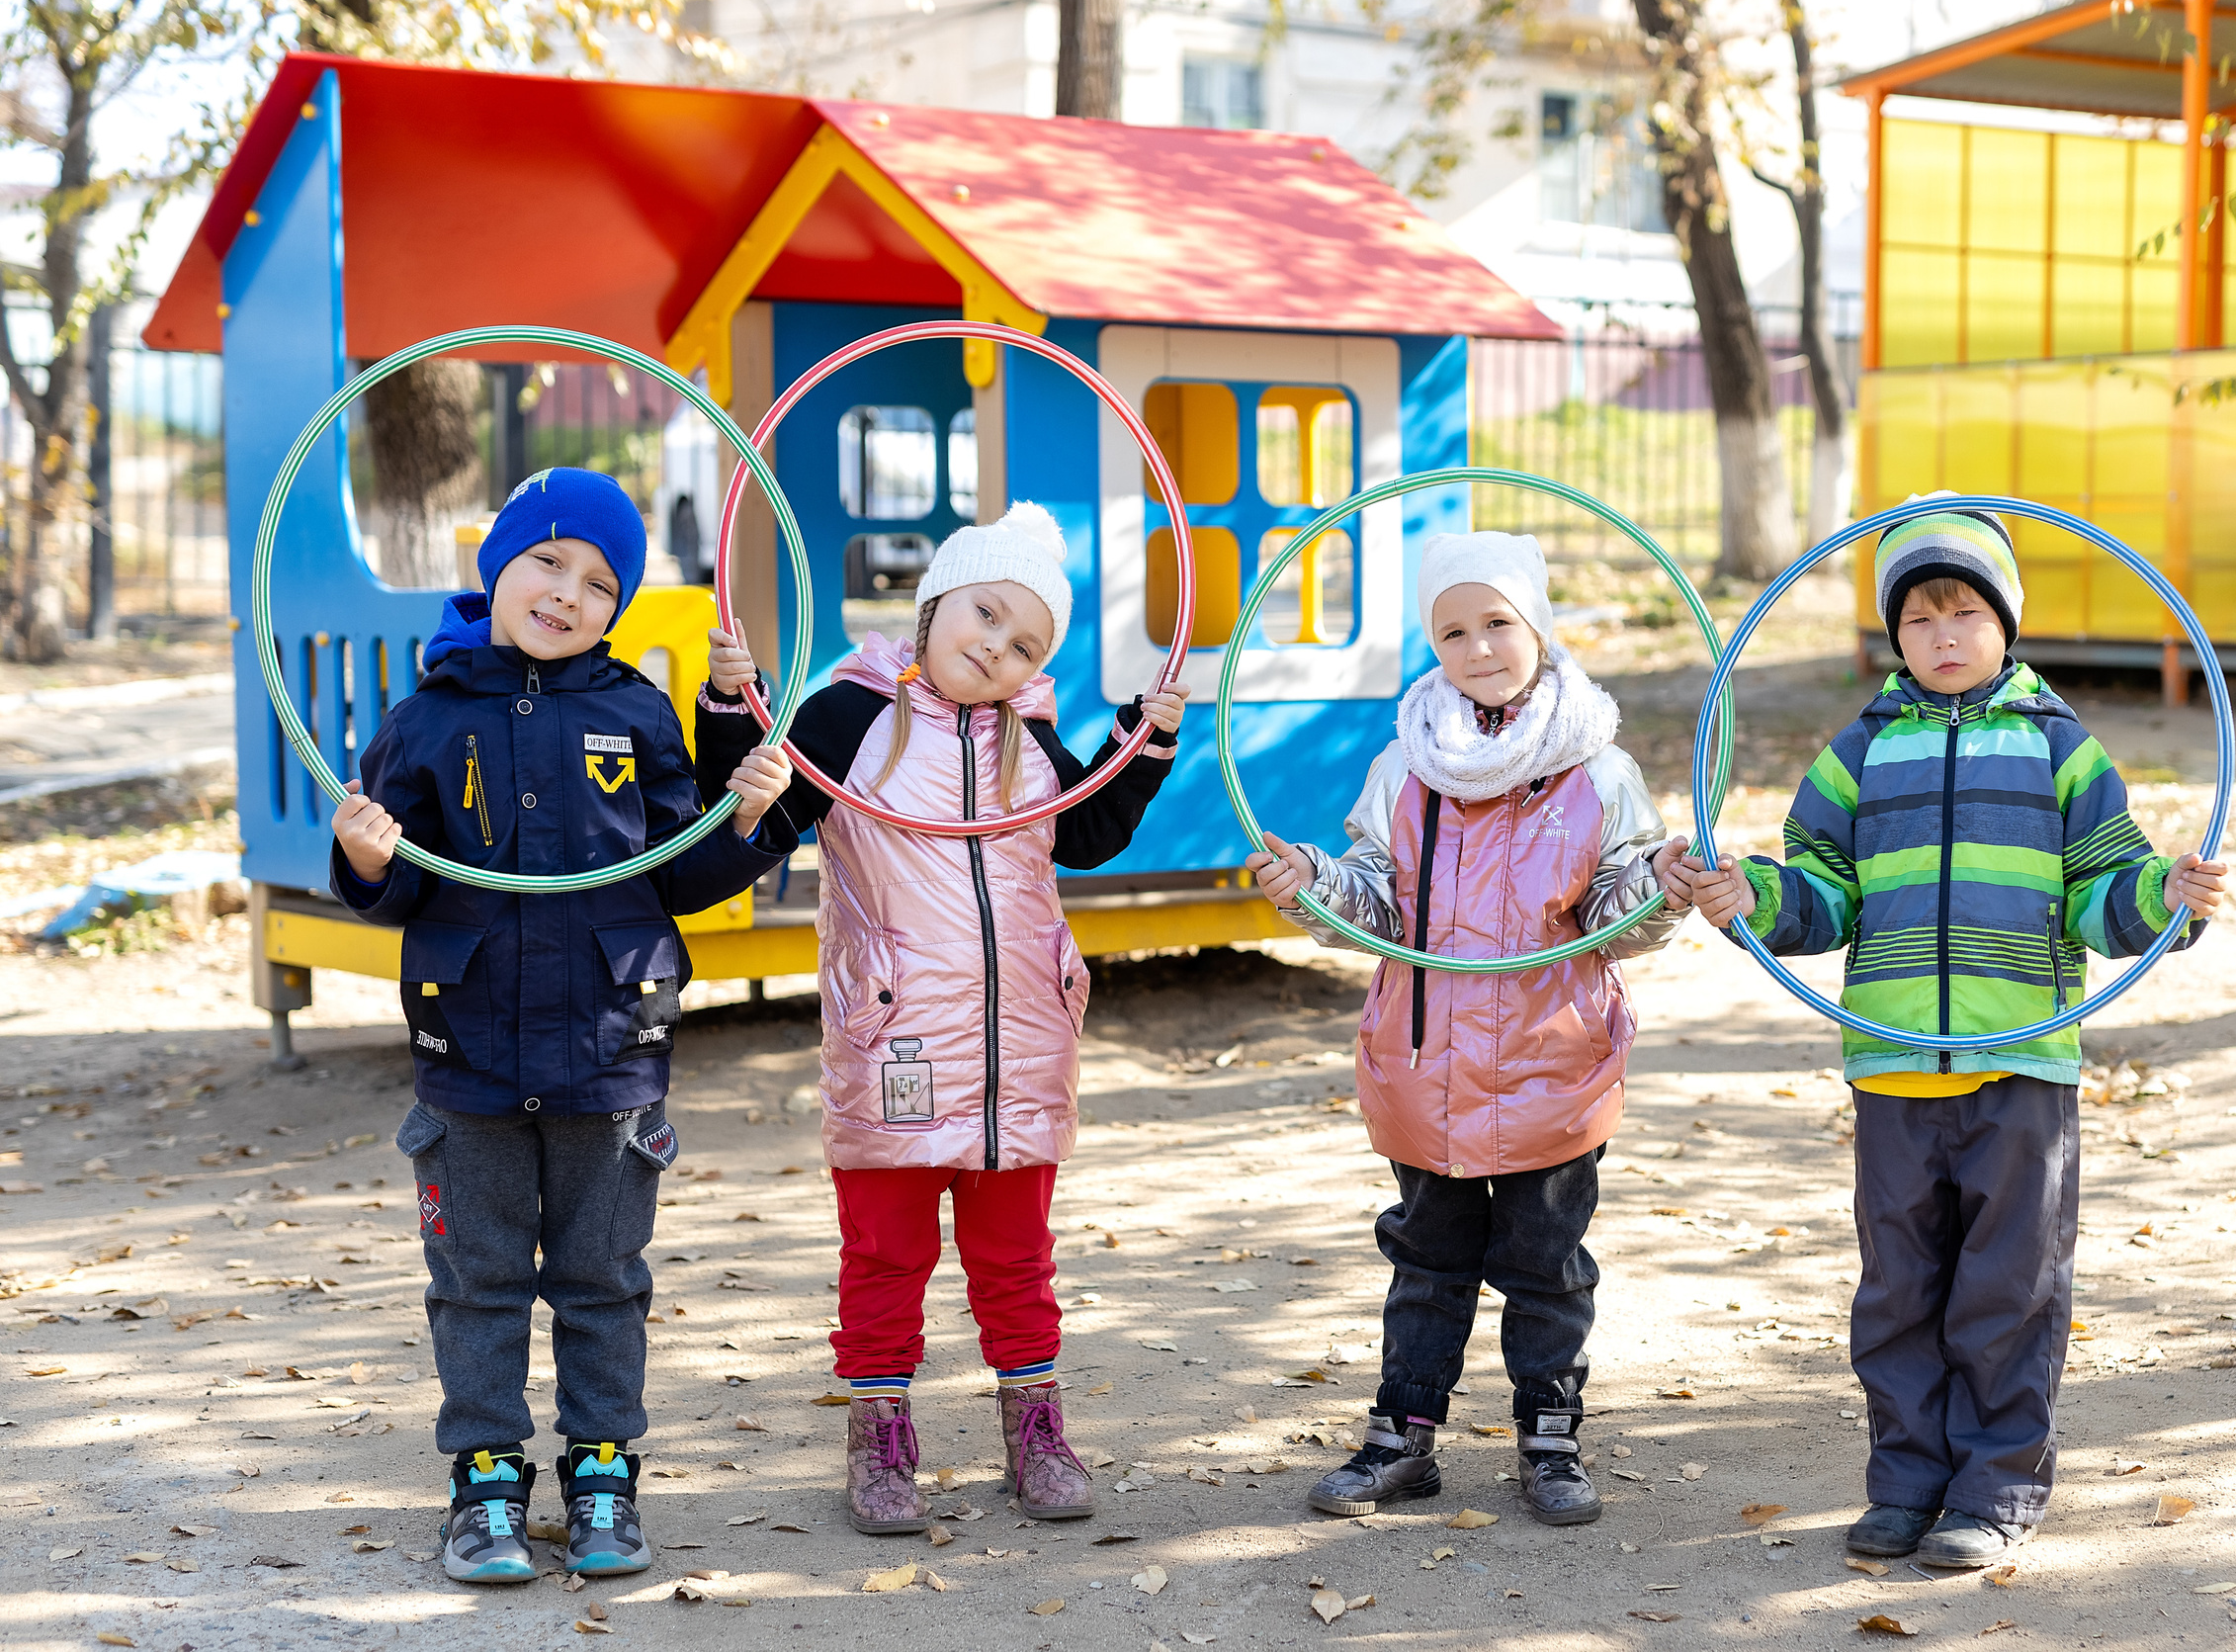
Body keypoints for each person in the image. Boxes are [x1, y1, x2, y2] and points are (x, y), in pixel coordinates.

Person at [1675, 499, 2227, 1568]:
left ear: (2005, 625)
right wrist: (1755, 896)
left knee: (2009, 1286)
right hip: (1891, 1067)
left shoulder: (2062, 749)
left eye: (1964, 612)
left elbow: (2101, 889)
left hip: (2018, 1061)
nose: (1941, 635)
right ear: (1894, 637)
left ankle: (1996, 1485)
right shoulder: (1856, 754)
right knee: (1898, 1289)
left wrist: (2163, 896)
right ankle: (1908, 1478)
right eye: (1918, 619)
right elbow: (1822, 893)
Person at [329, 467, 798, 1584]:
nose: (567, 592)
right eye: (545, 562)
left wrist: (752, 816)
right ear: (495, 567)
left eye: (598, 581)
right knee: (476, 1277)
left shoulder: (634, 710)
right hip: (470, 1051)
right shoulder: (426, 718)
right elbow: (398, 881)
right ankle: (485, 1479)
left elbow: (682, 871)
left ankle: (602, 1474)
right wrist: (360, 863)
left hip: (609, 1045)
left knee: (602, 1274)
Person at [695, 500, 1185, 1534]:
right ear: (932, 603)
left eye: (1025, 643)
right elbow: (758, 819)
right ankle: (879, 1436)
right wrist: (730, 716)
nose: (997, 648)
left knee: (1017, 1256)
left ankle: (1036, 1427)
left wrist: (1141, 741)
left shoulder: (1032, 738)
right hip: (895, 1045)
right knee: (885, 1253)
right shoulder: (845, 717)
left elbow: (1086, 836)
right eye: (986, 615)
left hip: (1020, 1053)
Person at [1245, 530, 1692, 1527]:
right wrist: (1310, 883)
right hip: (1427, 1067)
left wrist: (1661, 888)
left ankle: (1549, 1437)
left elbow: (1618, 916)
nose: (1478, 645)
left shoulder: (1597, 771)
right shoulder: (1407, 769)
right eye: (1452, 630)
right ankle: (1402, 1438)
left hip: (1553, 1064)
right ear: (1432, 647)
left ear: (1536, 625)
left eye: (1497, 621)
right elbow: (1376, 901)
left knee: (1545, 1263)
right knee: (1426, 1260)